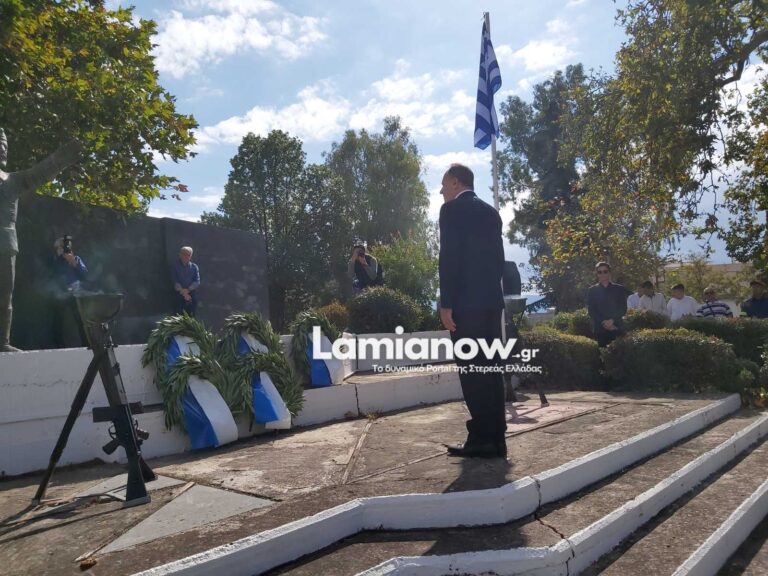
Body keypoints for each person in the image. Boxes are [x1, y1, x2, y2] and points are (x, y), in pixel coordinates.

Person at [438, 163, 506, 458]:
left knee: (472, 372)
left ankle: (481, 439)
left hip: (465, 307)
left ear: (455, 182)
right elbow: (499, 261)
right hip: (491, 305)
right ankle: (497, 438)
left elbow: (449, 258)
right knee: (491, 370)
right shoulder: (491, 213)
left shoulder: (451, 210)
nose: (441, 191)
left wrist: (446, 303)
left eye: (443, 184)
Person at [0, 128, 82, 352]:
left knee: (4, 297)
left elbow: (40, 173)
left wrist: (62, 158)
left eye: (5, 147)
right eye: (0, 147)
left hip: (5, 245)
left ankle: (2, 342)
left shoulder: (13, 180)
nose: (3, 151)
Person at [51, 236, 88, 347]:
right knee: (57, 321)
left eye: (60, 247)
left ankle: (86, 343)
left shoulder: (76, 259)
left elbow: (85, 275)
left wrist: (74, 263)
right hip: (61, 294)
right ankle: (59, 346)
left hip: (75, 293)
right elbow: (53, 277)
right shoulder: (55, 262)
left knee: (80, 319)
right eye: (57, 248)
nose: (58, 250)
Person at [587, 262, 631, 348]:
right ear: (597, 274)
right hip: (600, 330)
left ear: (609, 273)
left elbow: (623, 308)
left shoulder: (619, 289)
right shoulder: (592, 290)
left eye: (605, 271)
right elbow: (591, 310)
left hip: (617, 328)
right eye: (599, 272)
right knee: (601, 355)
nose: (602, 274)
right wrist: (604, 322)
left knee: (619, 355)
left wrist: (612, 321)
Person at [171, 246, 200, 317]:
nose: (185, 256)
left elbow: (197, 281)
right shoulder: (174, 266)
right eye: (184, 254)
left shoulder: (194, 267)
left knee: (192, 314)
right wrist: (183, 293)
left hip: (191, 293)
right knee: (178, 315)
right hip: (178, 294)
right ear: (180, 254)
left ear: (190, 256)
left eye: (188, 255)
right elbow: (174, 280)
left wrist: (188, 290)